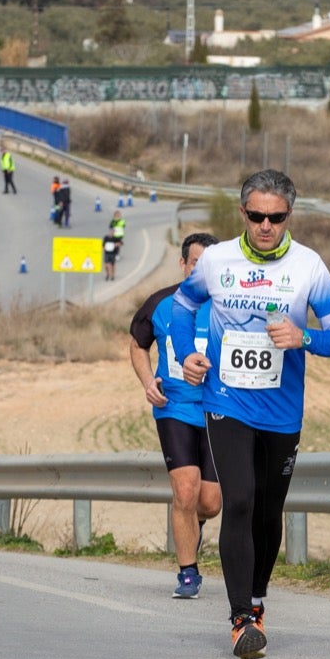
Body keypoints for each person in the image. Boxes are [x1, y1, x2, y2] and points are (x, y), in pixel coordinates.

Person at [171, 169, 330, 659]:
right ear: (243, 214)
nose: (266, 225)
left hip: (282, 412)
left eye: (276, 217)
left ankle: (257, 598)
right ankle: (240, 620)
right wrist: (188, 351)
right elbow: (180, 307)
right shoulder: (216, 260)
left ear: (288, 216)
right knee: (239, 500)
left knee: (268, 511)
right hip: (226, 401)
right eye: (257, 216)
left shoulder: (309, 267)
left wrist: (306, 338)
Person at [129, 232, 222, 598]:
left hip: (218, 410)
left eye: (209, 265)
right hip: (175, 408)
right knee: (185, 490)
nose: (202, 270)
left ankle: (192, 525)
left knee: (210, 502)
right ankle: (188, 572)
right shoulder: (161, 303)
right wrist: (147, 381)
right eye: (196, 263)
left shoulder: (228, 306)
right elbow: (137, 344)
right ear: (183, 264)